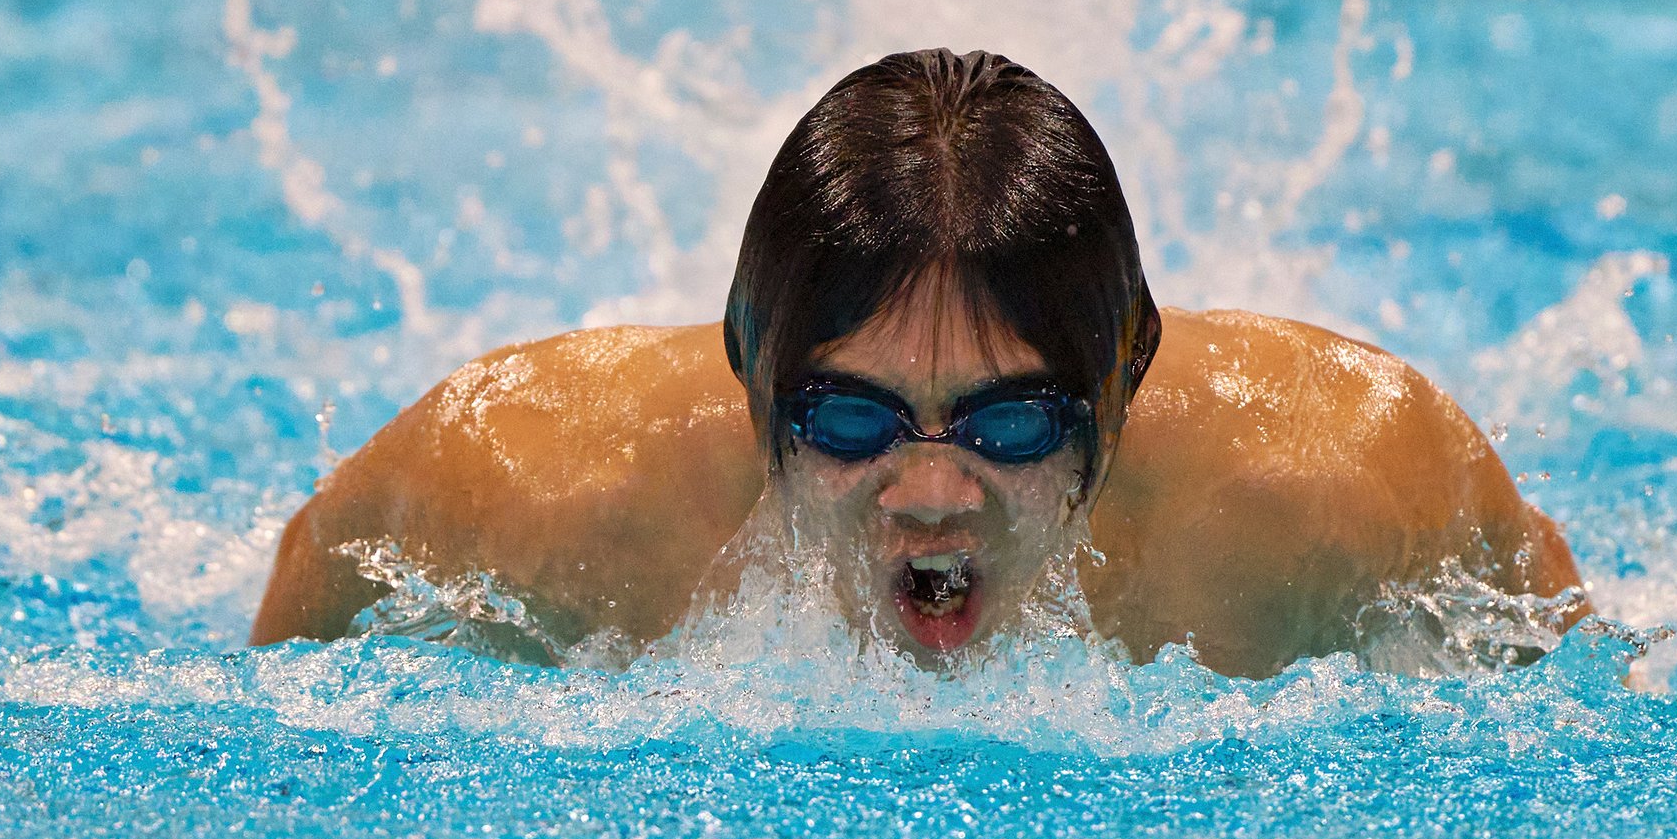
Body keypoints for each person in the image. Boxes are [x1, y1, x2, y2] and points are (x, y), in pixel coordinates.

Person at [251, 49, 1584, 677]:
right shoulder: (545, 477)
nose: (931, 495)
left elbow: (1566, 666)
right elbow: (314, 585)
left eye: (1011, 425)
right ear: (747, 372)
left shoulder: (1333, 478)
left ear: (1127, 380)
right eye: (846, 417)